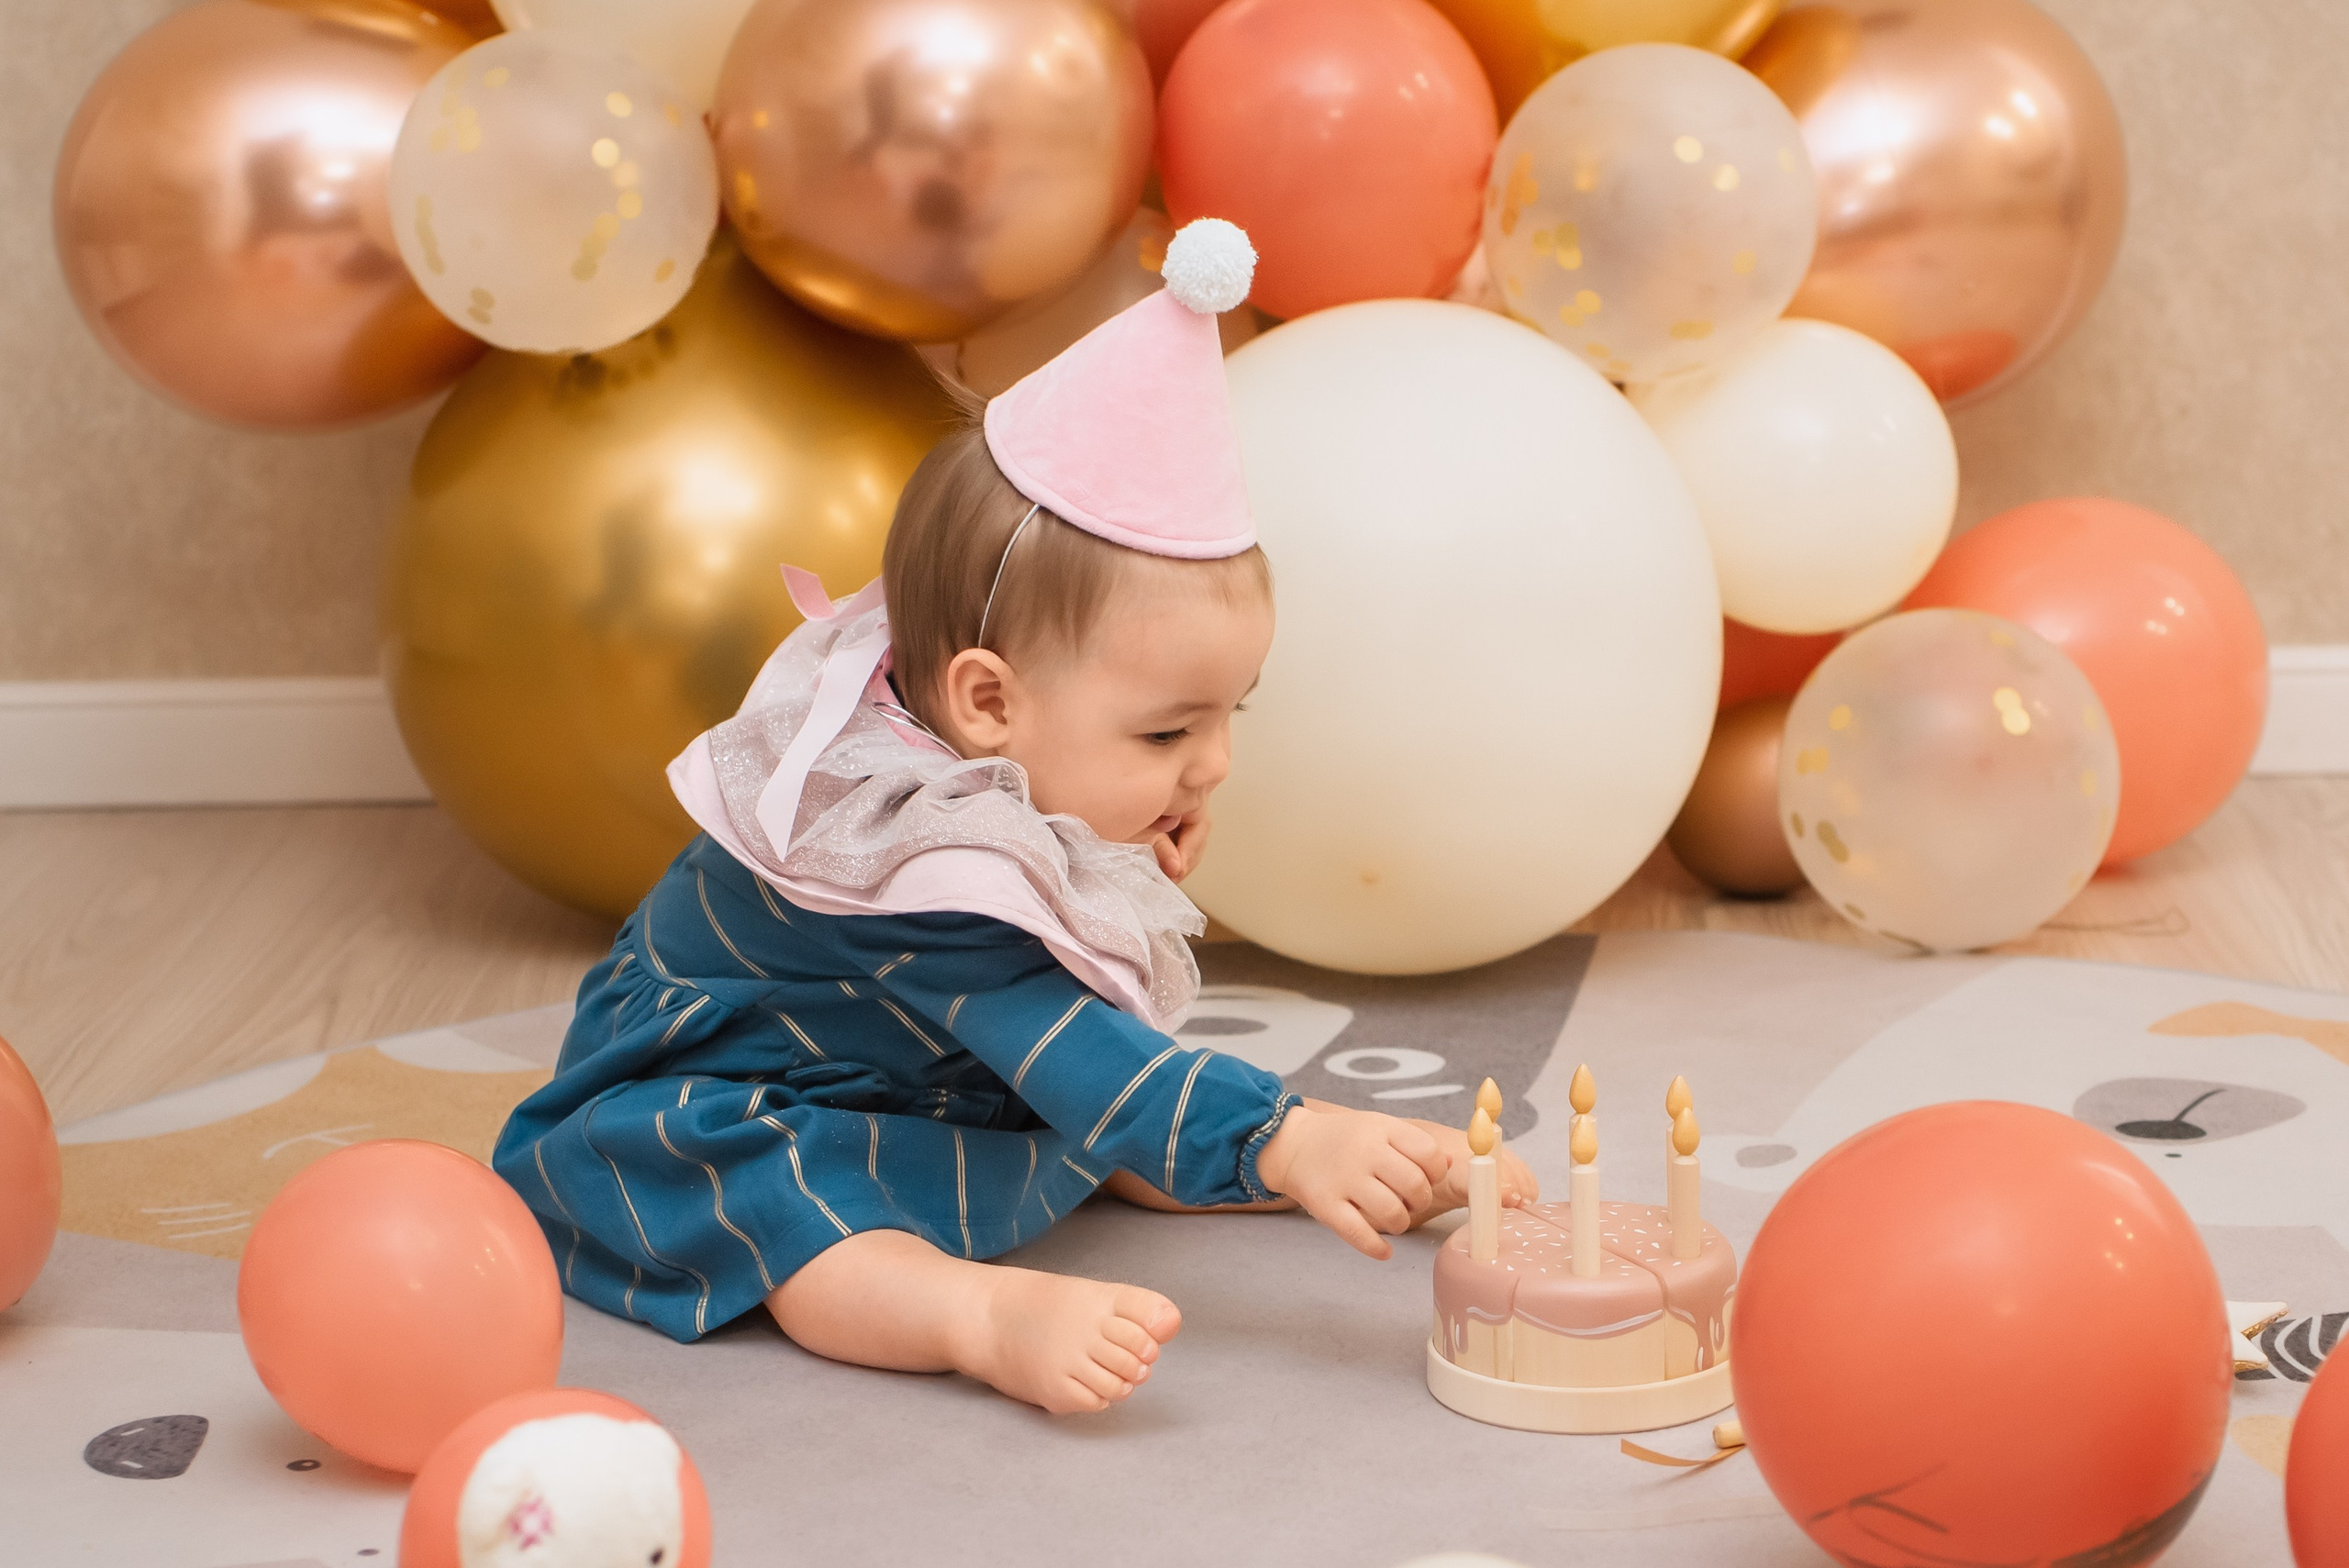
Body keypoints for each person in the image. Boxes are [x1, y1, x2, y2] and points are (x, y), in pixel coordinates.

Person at [494, 220, 1535, 1415]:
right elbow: (1070, 1035)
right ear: (986, 699)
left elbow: (1070, 984)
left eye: (1227, 714)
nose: (1217, 763)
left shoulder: (976, 737)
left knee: (1073, 1107)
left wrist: (1129, 831)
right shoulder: (918, 855)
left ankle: (1235, 1155)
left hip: (894, 1057)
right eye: (1166, 733)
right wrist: (1288, 1136)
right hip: (710, 1096)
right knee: (802, 1209)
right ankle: (972, 1312)